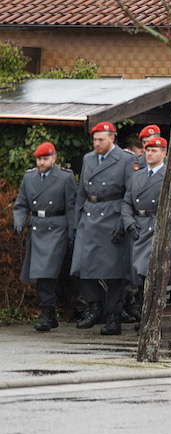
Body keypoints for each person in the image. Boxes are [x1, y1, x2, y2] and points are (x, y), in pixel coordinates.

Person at [70, 121, 135, 335]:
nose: (96, 143)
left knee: (114, 273)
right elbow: (81, 191)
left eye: (100, 139)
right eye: (94, 139)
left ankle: (113, 316)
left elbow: (130, 193)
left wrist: (122, 222)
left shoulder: (126, 160)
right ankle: (94, 306)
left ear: (112, 138)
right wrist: (76, 220)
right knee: (83, 267)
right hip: (89, 215)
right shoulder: (88, 159)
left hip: (112, 215)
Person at [13, 142, 76, 332]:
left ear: (54, 158)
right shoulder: (29, 177)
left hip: (57, 227)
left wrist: (73, 231)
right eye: (39, 159)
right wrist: (19, 222)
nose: (41, 163)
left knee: (48, 272)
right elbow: (21, 204)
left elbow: (71, 207)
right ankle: (49, 313)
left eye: (45, 158)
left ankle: (51, 313)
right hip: (37, 227)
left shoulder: (65, 178)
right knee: (42, 274)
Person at [121, 137, 171, 308]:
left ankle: (149, 313)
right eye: (147, 150)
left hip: (158, 227)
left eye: (154, 151)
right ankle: (143, 311)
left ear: (164, 153)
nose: (149, 154)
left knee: (150, 273)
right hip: (138, 226)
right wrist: (128, 222)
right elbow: (127, 202)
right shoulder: (137, 175)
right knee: (138, 273)